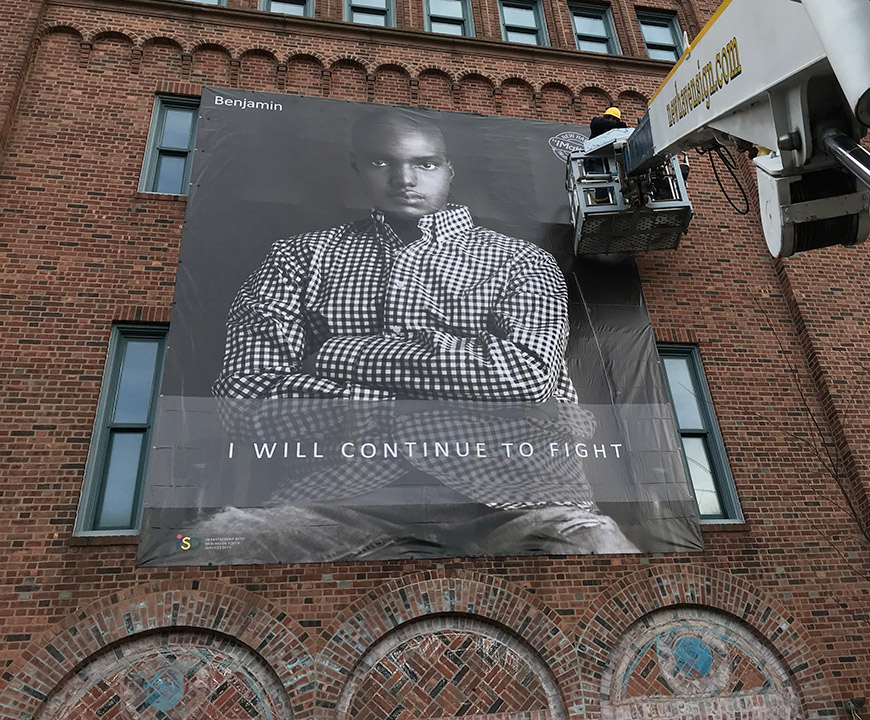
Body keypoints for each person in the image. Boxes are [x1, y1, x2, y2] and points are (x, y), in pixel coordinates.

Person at [201, 107, 639, 560]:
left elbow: (521, 378)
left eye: (424, 164)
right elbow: (244, 400)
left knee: (598, 548)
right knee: (212, 543)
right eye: (381, 162)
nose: (404, 179)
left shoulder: (521, 260)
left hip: (525, 496)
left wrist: (339, 354)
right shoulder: (300, 257)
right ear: (357, 168)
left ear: (449, 170)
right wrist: (446, 403)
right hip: (339, 498)